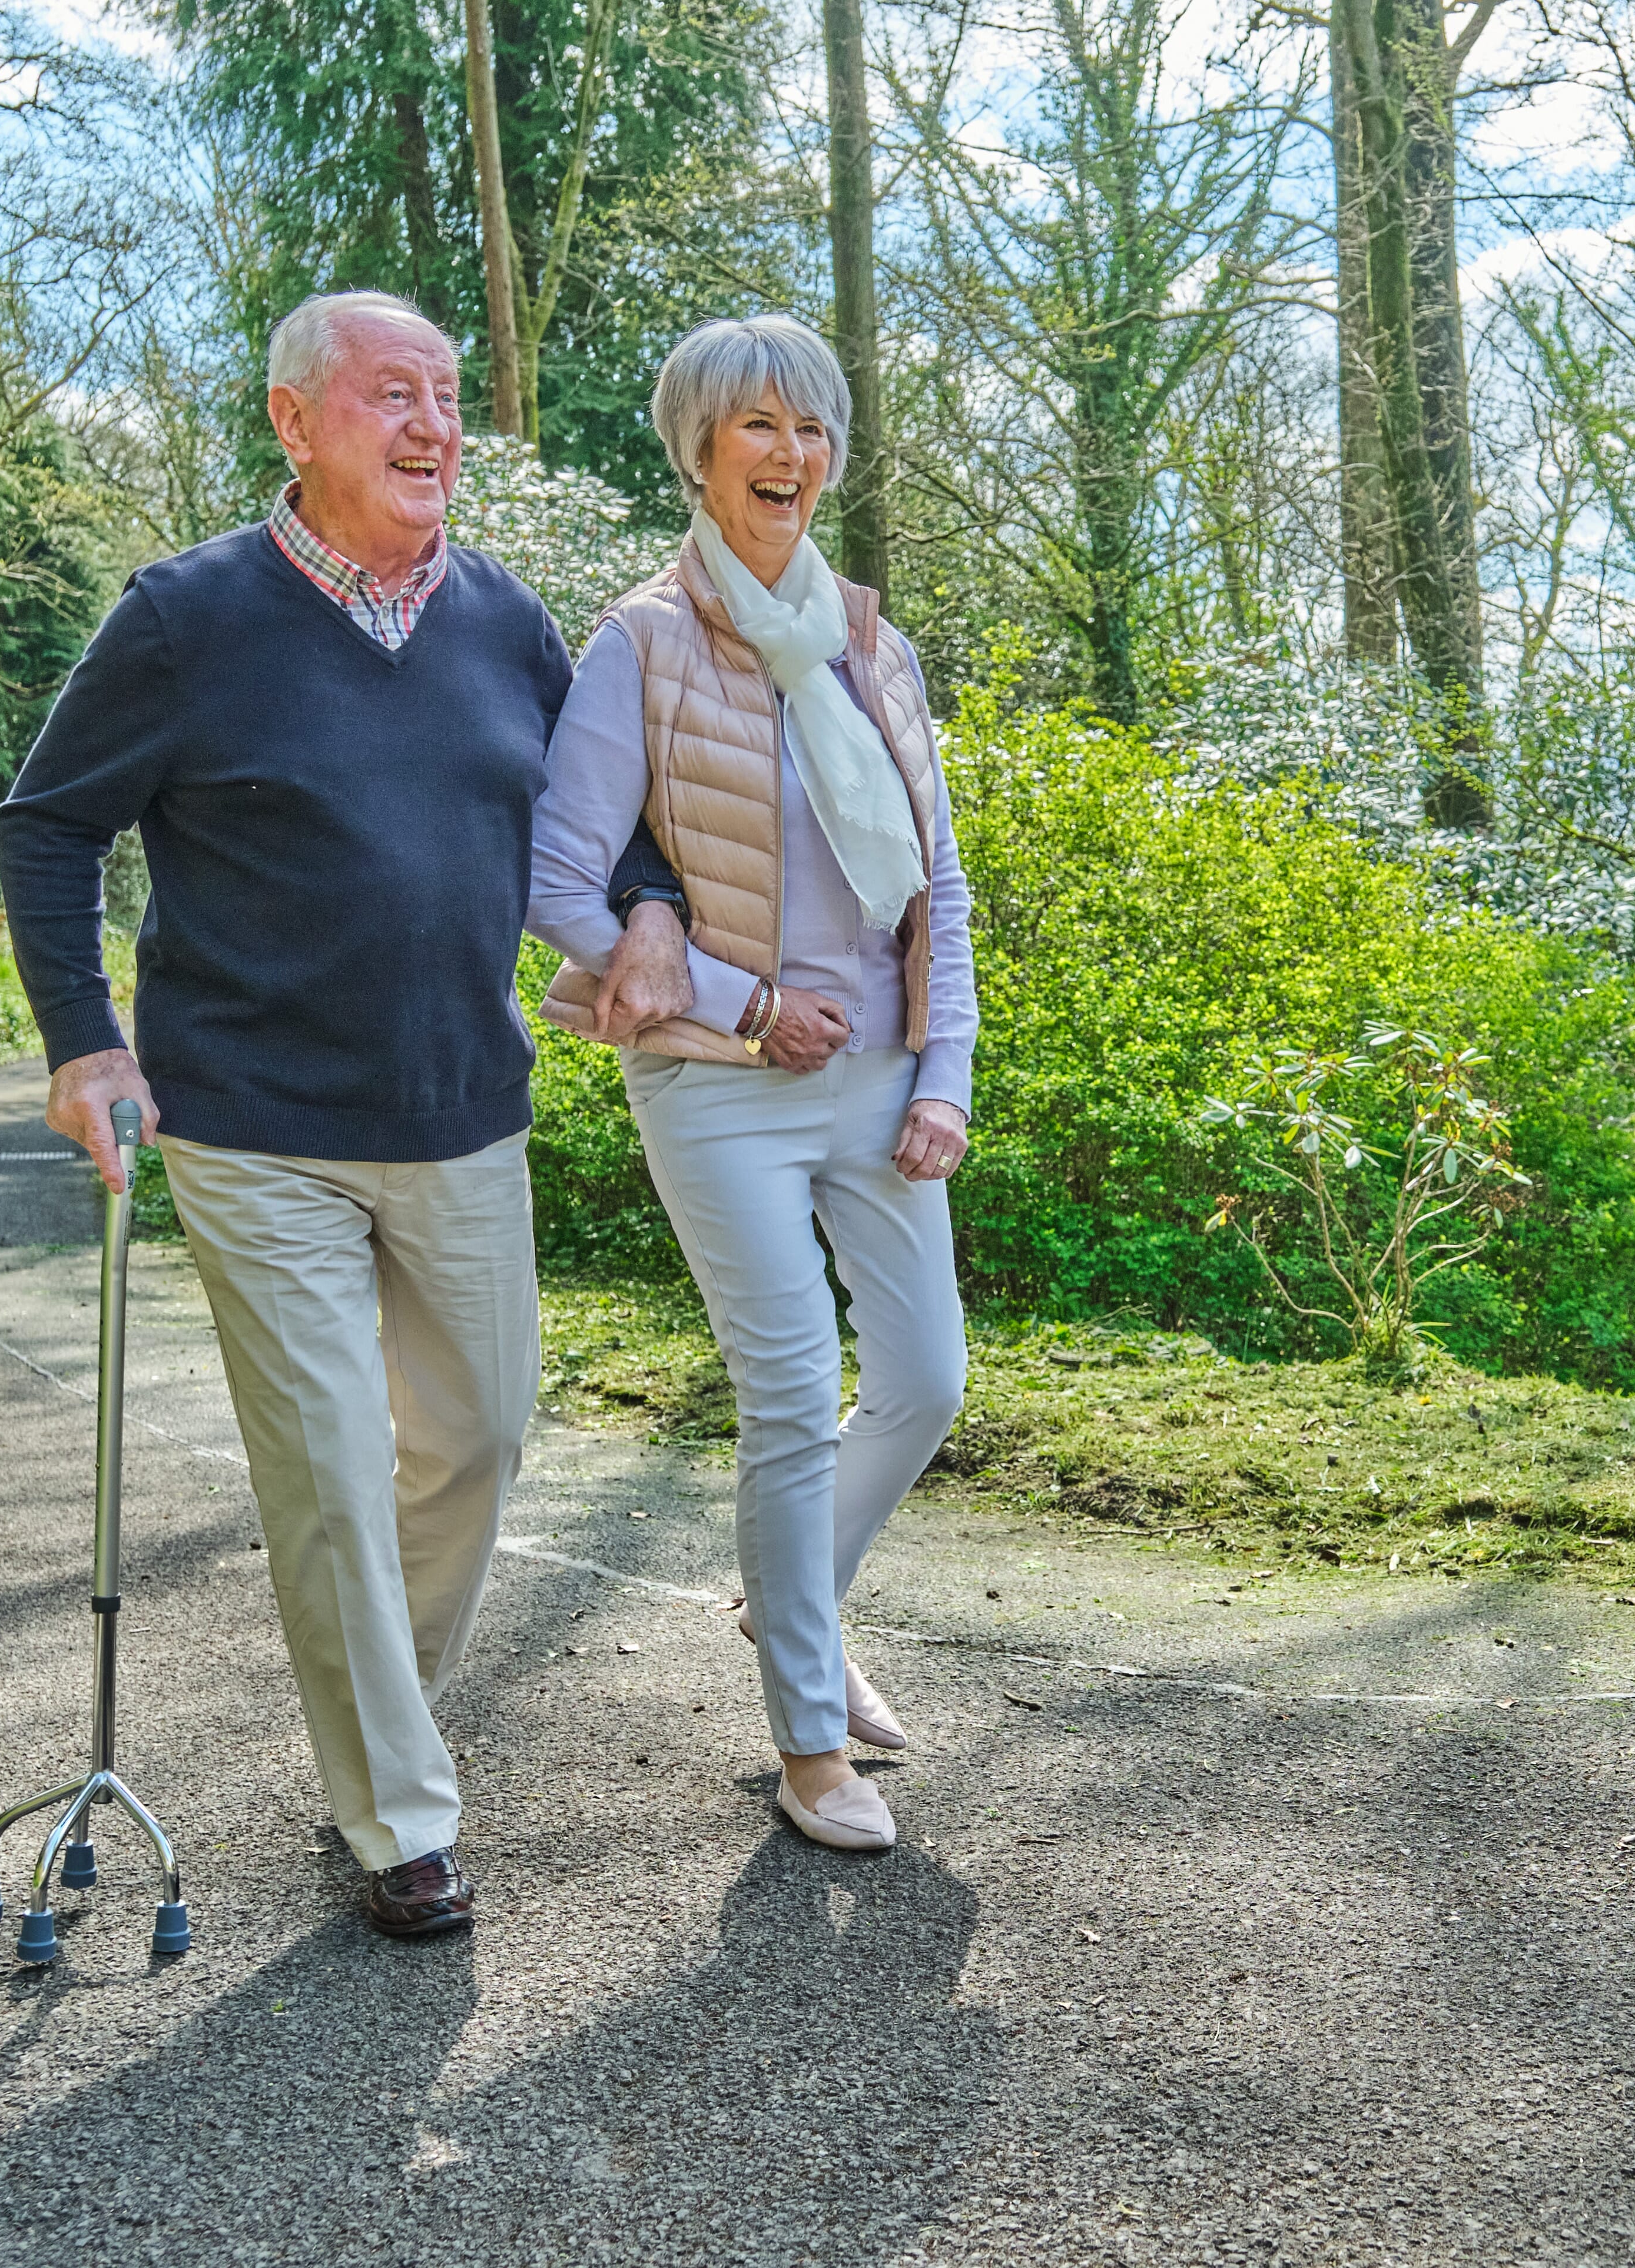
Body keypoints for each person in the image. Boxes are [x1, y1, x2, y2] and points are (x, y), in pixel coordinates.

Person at [0, 289, 624, 1938]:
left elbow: (591, 830)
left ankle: (372, 1722)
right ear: (293, 421)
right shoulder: (185, 618)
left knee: (480, 1440)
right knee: (336, 1468)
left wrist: (646, 928)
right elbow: (47, 825)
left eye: (447, 398)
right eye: (391, 395)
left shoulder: (507, 620)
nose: (434, 427)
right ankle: (396, 1817)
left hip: (465, 1108)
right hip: (252, 1121)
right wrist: (85, 1042)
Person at [528, 314, 979, 1855]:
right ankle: (807, 1744)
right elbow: (557, 879)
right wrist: (750, 1004)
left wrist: (944, 1072)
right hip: (719, 1083)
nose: (792, 455)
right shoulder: (640, 644)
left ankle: (790, 1600)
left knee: (925, 1378)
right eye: (759, 427)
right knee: (788, 1393)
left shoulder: (873, 646)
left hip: (882, 1075)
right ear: (700, 452)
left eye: (812, 427)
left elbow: (937, 884)